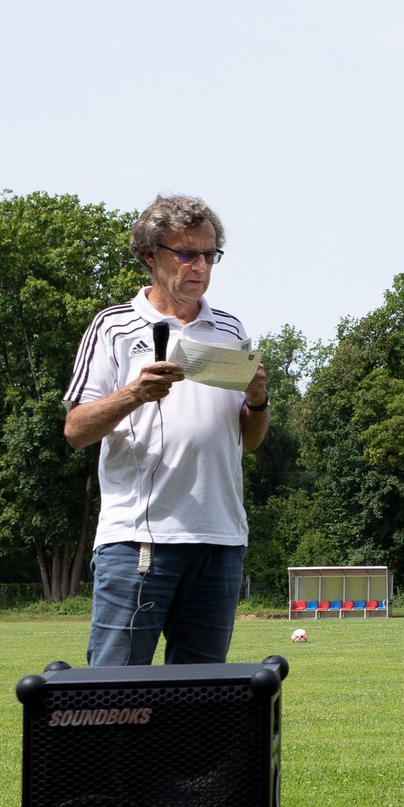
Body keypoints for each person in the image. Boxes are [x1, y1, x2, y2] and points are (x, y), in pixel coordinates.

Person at [64, 195, 267, 667]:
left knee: (198, 697)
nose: (201, 266)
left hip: (220, 538)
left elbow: (250, 440)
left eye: (210, 255)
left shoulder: (230, 329)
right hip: (138, 539)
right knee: (115, 692)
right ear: (150, 255)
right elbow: (75, 430)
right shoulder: (113, 326)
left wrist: (258, 400)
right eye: (187, 253)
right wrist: (135, 394)